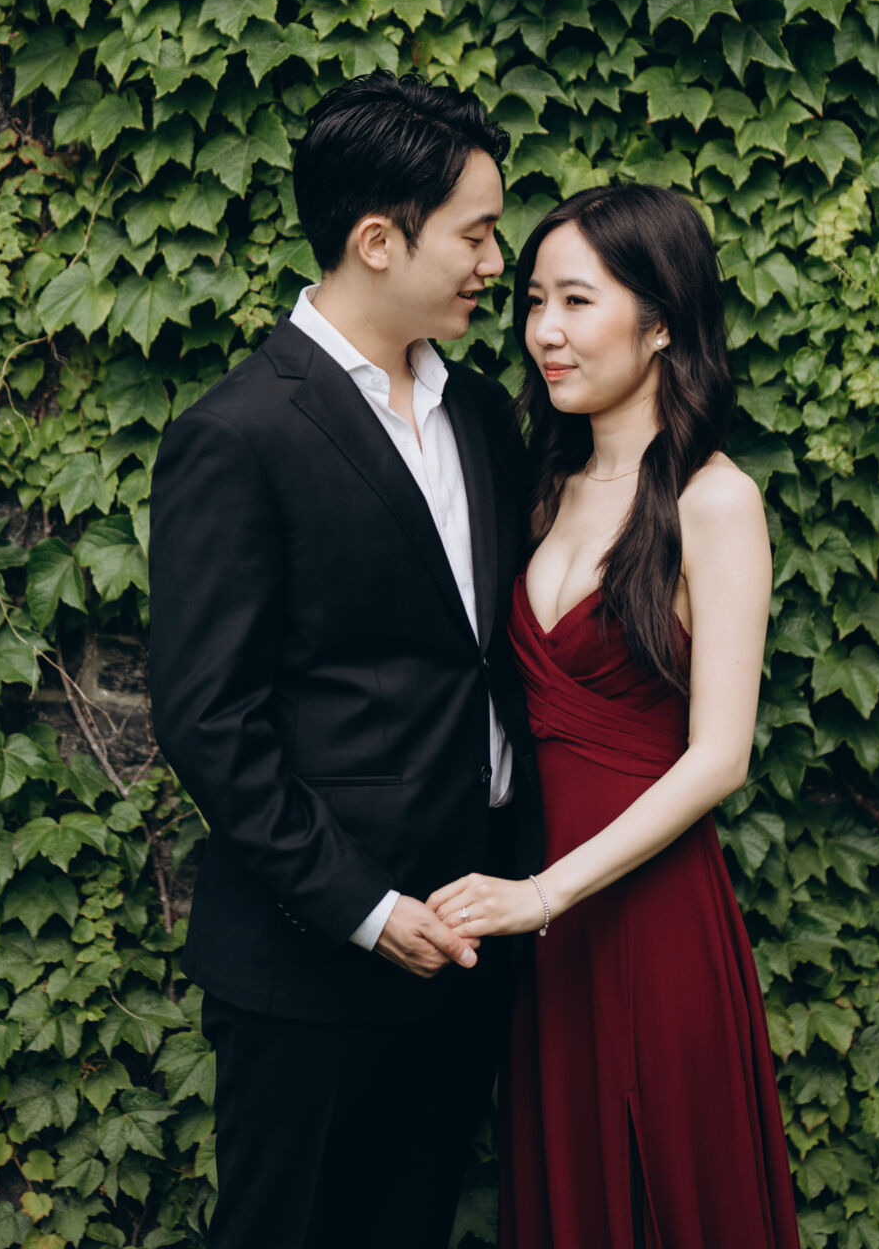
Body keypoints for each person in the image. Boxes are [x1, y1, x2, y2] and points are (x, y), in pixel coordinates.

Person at [147, 72, 539, 1249]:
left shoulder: (481, 416)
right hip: (311, 960)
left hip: (472, 939)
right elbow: (209, 721)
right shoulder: (235, 434)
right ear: (377, 240)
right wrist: (365, 910)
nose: (494, 262)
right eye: (474, 234)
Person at [429, 184, 803, 1248]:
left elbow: (719, 757)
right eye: (533, 302)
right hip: (540, 927)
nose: (544, 331)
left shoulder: (713, 500)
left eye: (577, 301)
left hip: (645, 912)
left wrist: (543, 894)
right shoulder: (542, 486)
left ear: (662, 323)